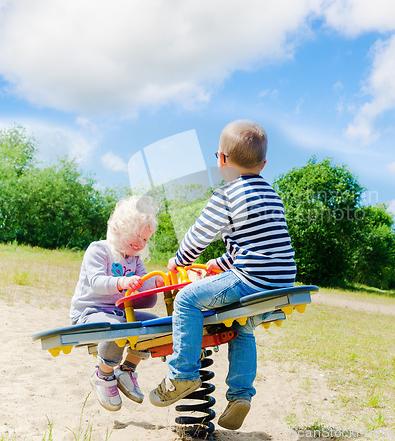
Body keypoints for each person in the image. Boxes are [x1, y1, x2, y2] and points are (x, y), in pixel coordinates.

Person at [149, 120, 296, 430]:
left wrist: (178, 261)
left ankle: (182, 375)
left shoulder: (227, 194)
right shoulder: (272, 194)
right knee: (241, 325)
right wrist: (221, 262)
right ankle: (241, 396)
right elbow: (256, 244)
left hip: (251, 277)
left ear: (221, 159)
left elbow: (198, 235)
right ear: (263, 164)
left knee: (188, 299)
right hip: (282, 278)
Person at [70, 195, 164, 412]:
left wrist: (152, 283)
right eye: (136, 237)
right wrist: (122, 282)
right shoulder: (99, 249)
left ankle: (127, 369)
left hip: (117, 312)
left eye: (145, 240)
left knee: (156, 326)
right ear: (119, 228)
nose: (140, 243)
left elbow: (141, 287)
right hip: (88, 312)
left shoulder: (135, 259)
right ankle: (103, 374)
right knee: (118, 328)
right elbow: (96, 283)